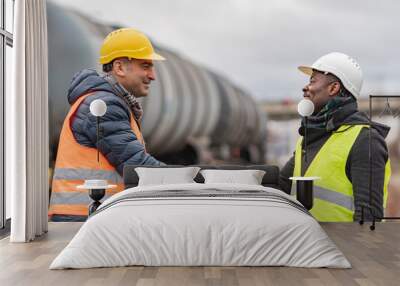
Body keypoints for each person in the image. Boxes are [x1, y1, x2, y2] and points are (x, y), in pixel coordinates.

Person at [49, 28, 165, 221]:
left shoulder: (108, 102)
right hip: (82, 218)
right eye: (145, 66)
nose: (152, 75)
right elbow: (139, 168)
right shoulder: (103, 106)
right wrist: (186, 180)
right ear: (119, 67)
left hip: (89, 215)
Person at [279, 52, 391, 222]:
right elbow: (281, 185)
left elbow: (369, 221)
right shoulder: (309, 138)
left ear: (333, 88)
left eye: (312, 81)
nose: (305, 88)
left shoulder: (365, 141)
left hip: (341, 248)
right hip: (307, 246)